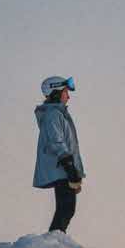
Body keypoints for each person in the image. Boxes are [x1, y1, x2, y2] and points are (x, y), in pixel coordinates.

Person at [33, 75, 85, 234]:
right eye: (65, 91)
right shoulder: (53, 115)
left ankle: (54, 244)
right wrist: (69, 167)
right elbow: (56, 142)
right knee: (66, 209)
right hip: (61, 168)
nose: (68, 96)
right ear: (56, 92)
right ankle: (51, 245)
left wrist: (74, 171)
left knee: (67, 209)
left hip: (63, 167)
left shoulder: (58, 114)